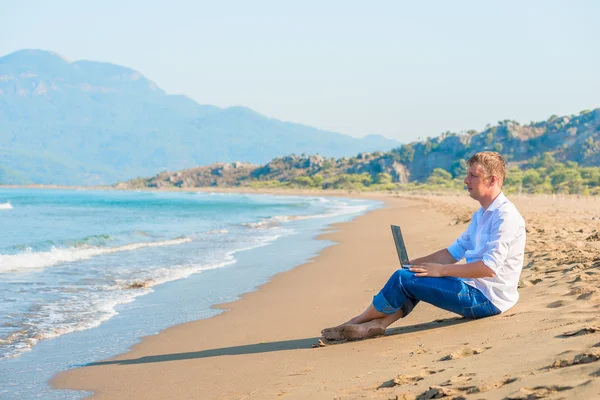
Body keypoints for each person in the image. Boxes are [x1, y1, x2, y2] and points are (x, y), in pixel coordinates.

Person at [322, 151, 526, 341]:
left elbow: (489, 269)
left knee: (402, 279)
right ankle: (378, 323)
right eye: (467, 174)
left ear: (492, 180)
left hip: (487, 300)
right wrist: (416, 264)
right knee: (413, 275)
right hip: (476, 289)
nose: (466, 180)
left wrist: (440, 271)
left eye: (473, 175)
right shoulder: (481, 215)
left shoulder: (505, 216)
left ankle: (355, 322)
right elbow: (452, 253)